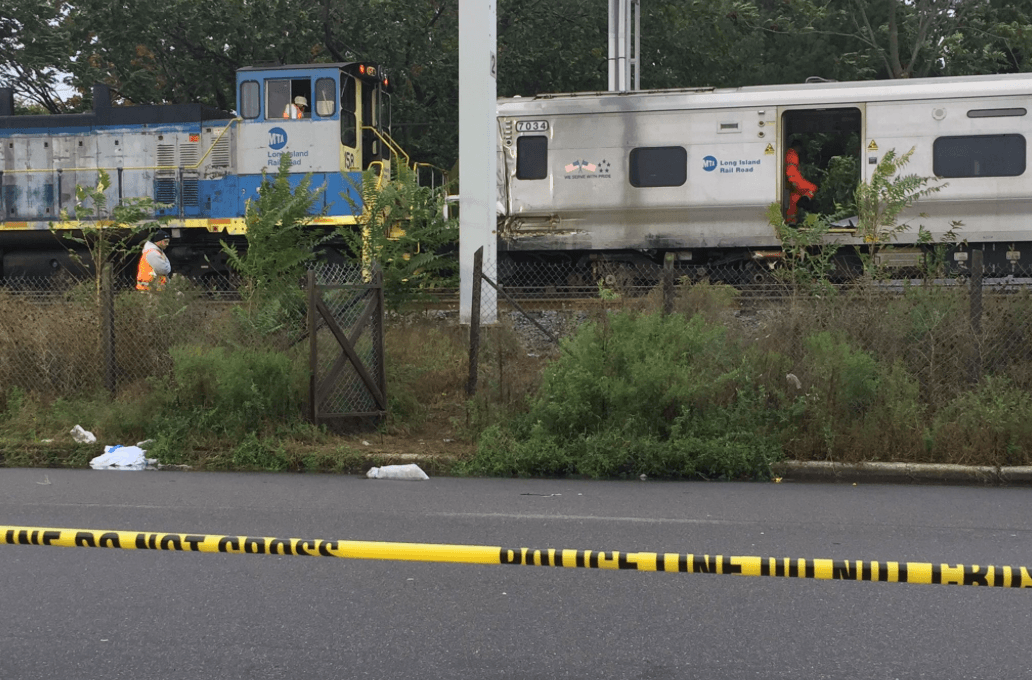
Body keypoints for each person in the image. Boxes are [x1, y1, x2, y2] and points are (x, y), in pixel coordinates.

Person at [785, 140, 818, 224]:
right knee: (813, 188)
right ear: (798, 147)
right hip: (796, 180)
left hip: (792, 182)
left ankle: (791, 222)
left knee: (794, 201)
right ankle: (804, 202)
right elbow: (791, 168)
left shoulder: (789, 153)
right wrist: (792, 180)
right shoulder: (792, 154)